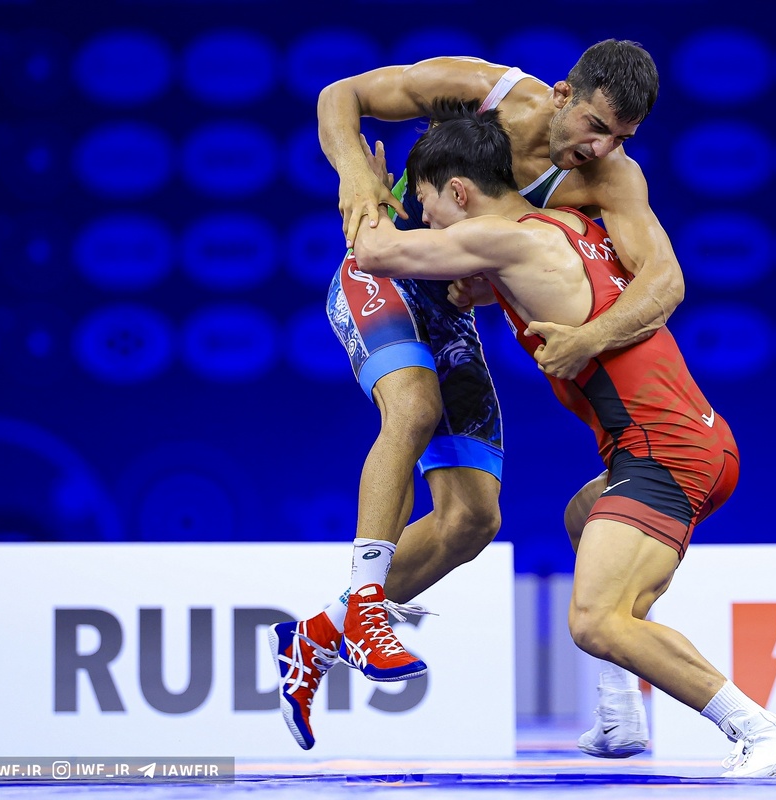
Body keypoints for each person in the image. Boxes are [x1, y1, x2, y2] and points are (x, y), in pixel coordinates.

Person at [347, 106, 776, 779]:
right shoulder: (564, 225)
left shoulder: (507, 240)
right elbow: (549, 285)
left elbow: (374, 252)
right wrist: (484, 289)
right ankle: (620, 711)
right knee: (582, 516)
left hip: (665, 451)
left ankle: (762, 730)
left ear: (459, 193)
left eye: (427, 207)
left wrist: (370, 188)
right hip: (698, 440)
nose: (428, 224)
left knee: (596, 621)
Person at [268, 39, 677, 754]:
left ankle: (315, 637)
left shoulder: (611, 178)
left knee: (471, 521)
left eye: (620, 137)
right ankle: (364, 602)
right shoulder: (487, 90)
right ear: (560, 93)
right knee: (415, 406)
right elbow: (342, 94)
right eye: (594, 124)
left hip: (449, 309)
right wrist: (356, 183)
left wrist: (589, 337)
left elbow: (663, 284)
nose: (602, 146)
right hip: (380, 273)